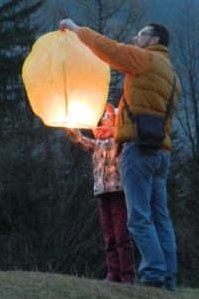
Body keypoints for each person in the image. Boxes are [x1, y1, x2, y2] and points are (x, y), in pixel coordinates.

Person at [58, 19, 181, 291]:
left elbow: (108, 49)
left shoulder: (145, 60)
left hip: (138, 150)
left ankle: (153, 275)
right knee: (161, 218)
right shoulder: (171, 74)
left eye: (141, 34)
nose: (136, 37)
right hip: (162, 152)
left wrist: (77, 30)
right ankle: (168, 279)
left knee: (138, 218)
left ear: (155, 41)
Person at [65, 103, 135, 284]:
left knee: (121, 235)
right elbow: (81, 141)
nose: (102, 121)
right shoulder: (97, 145)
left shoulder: (120, 142)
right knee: (109, 236)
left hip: (119, 192)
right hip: (101, 192)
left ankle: (127, 275)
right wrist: (70, 127)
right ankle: (113, 273)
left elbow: (124, 132)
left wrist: (114, 115)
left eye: (106, 119)